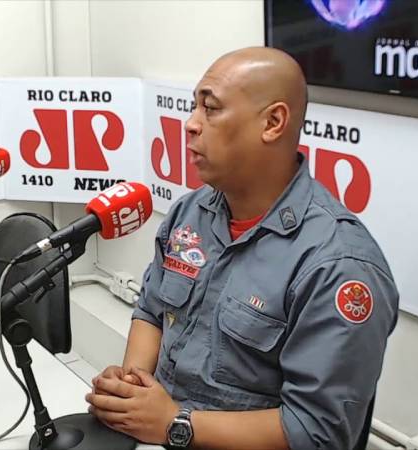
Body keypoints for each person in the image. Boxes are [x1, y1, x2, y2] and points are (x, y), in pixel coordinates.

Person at [86, 46, 399, 450]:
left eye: (210, 108)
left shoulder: (338, 263)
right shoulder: (191, 212)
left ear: (273, 123)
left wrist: (173, 423)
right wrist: (132, 391)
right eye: (194, 106)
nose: (191, 124)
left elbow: (317, 432)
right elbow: (151, 310)